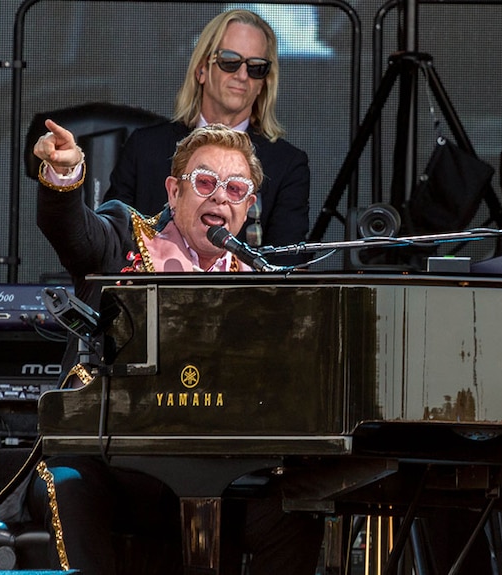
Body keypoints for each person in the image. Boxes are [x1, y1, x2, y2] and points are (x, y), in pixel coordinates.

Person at [31, 121, 324, 575]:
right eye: (204, 183)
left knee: (297, 508)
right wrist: (63, 177)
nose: (219, 197)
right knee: (68, 482)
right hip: (117, 466)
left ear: (248, 206)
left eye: (235, 188)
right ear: (173, 192)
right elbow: (73, 231)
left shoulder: (261, 285)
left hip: (221, 473)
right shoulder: (127, 239)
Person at [102, 9, 309, 264]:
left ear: (264, 83)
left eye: (256, 67)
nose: (242, 75)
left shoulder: (287, 164)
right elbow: (108, 240)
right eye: (230, 61)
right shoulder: (144, 148)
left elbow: (285, 266)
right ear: (201, 69)